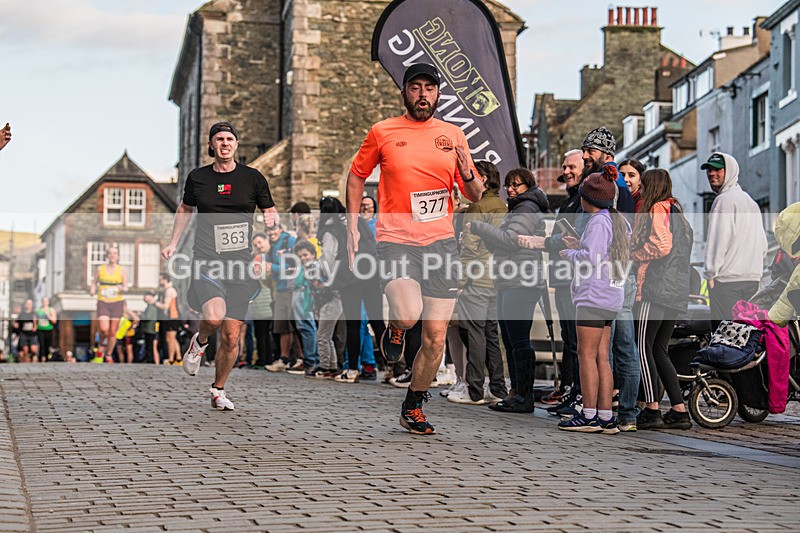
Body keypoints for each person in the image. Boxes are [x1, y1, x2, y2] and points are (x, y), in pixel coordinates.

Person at [346, 63, 483, 434]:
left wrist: (466, 166)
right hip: (397, 240)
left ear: (438, 94)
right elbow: (357, 176)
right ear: (404, 92)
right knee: (408, 315)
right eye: (415, 87)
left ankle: (413, 404)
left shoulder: (453, 135)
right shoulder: (383, 132)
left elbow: (474, 193)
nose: (423, 94)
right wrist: (353, 225)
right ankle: (394, 327)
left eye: (429, 88)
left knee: (436, 336)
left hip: (441, 243)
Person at [162, 121, 278, 411]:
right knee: (213, 318)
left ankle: (218, 389)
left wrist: (270, 221)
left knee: (231, 335)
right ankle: (199, 342)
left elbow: (269, 207)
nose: (225, 143)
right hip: (207, 260)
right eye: (219, 139)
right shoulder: (198, 178)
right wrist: (174, 242)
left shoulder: (253, 178)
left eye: (229, 139)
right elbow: (186, 208)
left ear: (236, 145)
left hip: (239, 266)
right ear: (211, 145)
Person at [558, 164, 631, 433]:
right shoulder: (617, 220)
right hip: (611, 296)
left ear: (587, 199)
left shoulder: (598, 221)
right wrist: (581, 246)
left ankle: (588, 414)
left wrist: (569, 254)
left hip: (592, 296)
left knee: (585, 355)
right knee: (603, 357)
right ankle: (606, 416)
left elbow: (591, 259)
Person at [470, 168, 549, 412]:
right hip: (510, 279)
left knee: (518, 340)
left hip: (521, 281)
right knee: (511, 339)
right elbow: (503, 244)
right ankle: (516, 392)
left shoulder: (526, 208)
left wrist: (480, 228)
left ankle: (523, 396)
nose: (511, 189)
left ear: (528, 185)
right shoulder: (517, 207)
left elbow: (510, 239)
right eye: (509, 185)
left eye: (517, 185)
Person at [520, 149, 586, 412]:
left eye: (572, 167)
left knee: (576, 341)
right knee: (569, 339)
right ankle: (569, 391)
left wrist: (544, 242)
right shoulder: (569, 201)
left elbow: (575, 239)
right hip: (561, 278)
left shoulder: (583, 201)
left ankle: (578, 394)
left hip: (575, 278)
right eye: (565, 167)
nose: (566, 172)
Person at [631, 168, 694, 430]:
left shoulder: (657, 208)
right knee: (659, 349)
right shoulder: (677, 212)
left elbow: (661, 245)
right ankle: (679, 410)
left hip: (656, 289)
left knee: (642, 346)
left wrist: (635, 254)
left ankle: (651, 408)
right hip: (676, 290)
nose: (641, 191)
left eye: (644, 186)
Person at [448, 160, 507, 405]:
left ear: (481, 178)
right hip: (497, 278)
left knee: (474, 333)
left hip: (477, 278)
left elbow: (470, 248)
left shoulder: (477, 207)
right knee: (492, 334)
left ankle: (474, 390)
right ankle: (497, 388)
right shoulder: (502, 205)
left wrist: (461, 280)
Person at [702, 153, 768, 328]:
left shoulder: (723, 201)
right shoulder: (751, 202)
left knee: (724, 336)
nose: (711, 173)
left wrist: (710, 273)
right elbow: (763, 245)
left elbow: (718, 240)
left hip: (726, 281)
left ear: (730, 171)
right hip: (752, 280)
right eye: (709, 169)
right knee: (745, 335)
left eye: (717, 169)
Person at [264, 223, 299, 372]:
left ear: (280, 229)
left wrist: (272, 268)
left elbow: (293, 267)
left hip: (293, 288)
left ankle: (301, 359)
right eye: (268, 230)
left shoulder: (289, 241)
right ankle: (283, 359)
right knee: (282, 326)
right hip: (280, 289)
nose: (271, 233)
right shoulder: (271, 247)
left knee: (297, 325)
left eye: (273, 229)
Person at [90, 245, 128, 363]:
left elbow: (126, 287)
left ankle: (109, 354)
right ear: (107, 255)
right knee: (104, 328)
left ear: (118, 256)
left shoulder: (121, 270)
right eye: (110, 253)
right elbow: (94, 282)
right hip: (103, 301)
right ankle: (102, 342)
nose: (112, 255)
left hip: (117, 302)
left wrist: (121, 288)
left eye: (115, 253)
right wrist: (92, 289)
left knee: (113, 332)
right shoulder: (100, 269)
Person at [289, 239, 321, 376]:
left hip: (305, 300)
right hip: (298, 300)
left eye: (306, 255)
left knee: (308, 329)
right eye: (300, 256)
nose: (303, 258)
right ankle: (310, 360)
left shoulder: (314, 266)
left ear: (313, 254)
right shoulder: (301, 268)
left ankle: (311, 361)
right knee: (303, 328)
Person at [251, 233, 274, 368]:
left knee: (268, 331)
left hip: (269, 297)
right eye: (255, 245)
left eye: (259, 242)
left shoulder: (272, 255)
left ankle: (267, 358)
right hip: (260, 300)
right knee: (261, 332)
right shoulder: (258, 258)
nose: (258, 246)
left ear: (266, 240)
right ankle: (264, 358)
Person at [155, 273, 182, 365]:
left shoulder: (169, 290)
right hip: (172, 316)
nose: (159, 281)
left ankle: (171, 359)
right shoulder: (167, 289)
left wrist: (155, 303)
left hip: (172, 316)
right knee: (172, 338)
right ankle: (178, 357)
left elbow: (165, 306)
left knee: (170, 338)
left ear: (165, 280)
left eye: (160, 279)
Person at [140, 292, 160, 364]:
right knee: (149, 346)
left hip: (150, 329)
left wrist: (141, 315)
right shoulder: (150, 306)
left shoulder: (151, 306)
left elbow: (147, 317)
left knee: (150, 346)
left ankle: (150, 360)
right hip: (149, 329)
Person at [36, 297, 57, 361]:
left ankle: (48, 358)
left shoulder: (51, 309)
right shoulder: (39, 310)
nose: (44, 303)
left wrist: (48, 316)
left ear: (48, 302)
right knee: (41, 344)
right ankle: (41, 358)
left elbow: (54, 321)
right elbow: (36, 320)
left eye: (46, 301)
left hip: (48, 329)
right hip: (40, 329)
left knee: (48, 345)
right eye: (43, 301)